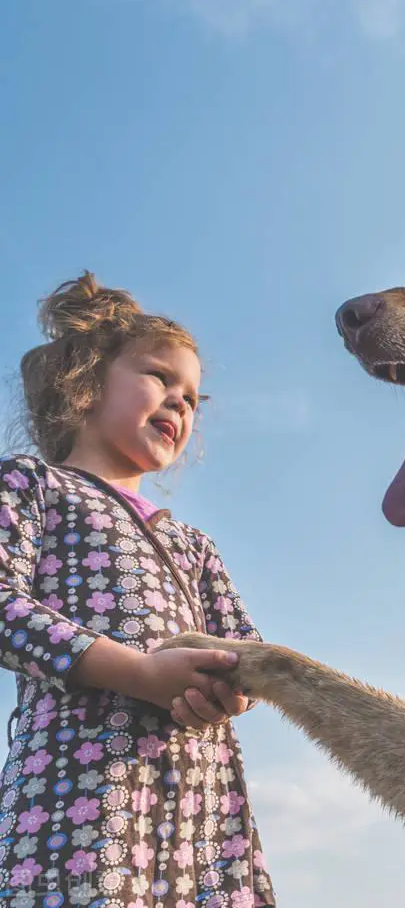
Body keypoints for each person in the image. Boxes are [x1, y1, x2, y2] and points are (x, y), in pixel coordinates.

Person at [0, 273, 275, 907]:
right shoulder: (33, 486)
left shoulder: (192, 543)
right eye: (160, 378)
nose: (180, 403)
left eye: (193, 398)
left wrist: (227, 695)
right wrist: (138, 673)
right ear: (87, 378)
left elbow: (249, 656)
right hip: (81, 790)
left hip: (202, 805)